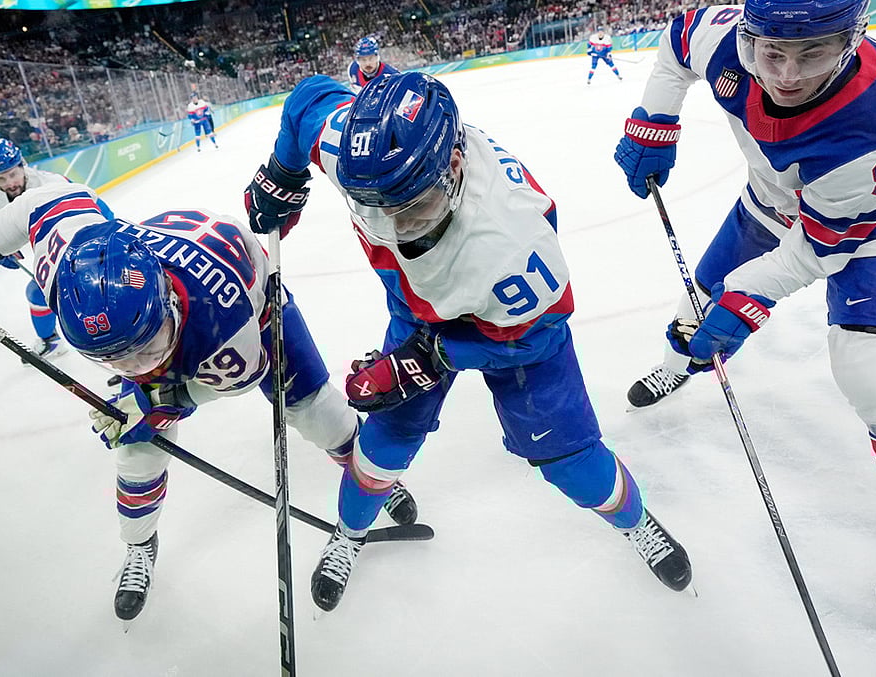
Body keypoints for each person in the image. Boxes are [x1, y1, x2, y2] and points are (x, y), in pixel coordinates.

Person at [244, 71, 693, 612]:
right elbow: (307, 100)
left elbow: (533, 340)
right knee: (386, 438)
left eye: (412, 208)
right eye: (374, 208)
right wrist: (283, 174)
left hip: (520, 329)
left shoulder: (511, 242)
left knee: (571, 459)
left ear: (455, 169)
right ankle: (350, 532)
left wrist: (432, 357)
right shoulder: (366, 157)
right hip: (419, 308)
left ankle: (636, 522)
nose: (394, 228)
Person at [614, 0, 876, 636]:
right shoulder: (725, 37)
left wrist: (748, 299)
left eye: (814, 53)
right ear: (748, 36)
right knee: (699, 310)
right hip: (776, 199)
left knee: (869, 367)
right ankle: (678, 364)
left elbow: (821, 248)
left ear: (853, 41)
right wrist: (652, 122)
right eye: (771, 52)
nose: (788, 75)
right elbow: (678, 37)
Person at [0, 180, 418, 625]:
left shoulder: (229, 325)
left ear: (164, 300)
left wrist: (162, 401)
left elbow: (240, 378)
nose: (139, 365)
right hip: (169, 288)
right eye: (115, 359)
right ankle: (140, 546)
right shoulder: (67, 261)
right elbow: (40, 202)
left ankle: (366, 478)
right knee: (136, 456)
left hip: (253, 300)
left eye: (146, 346)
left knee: (315, 412)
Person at [0, 138, 111, 358]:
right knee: (38, 292)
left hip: (72, 235)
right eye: (0, 178)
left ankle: (110, 334)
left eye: (13, 174)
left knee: (79, 289)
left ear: (23, 165)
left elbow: (102, 213)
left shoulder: (52, 184)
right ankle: (51, 341)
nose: (9, 183)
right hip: (37, 233)